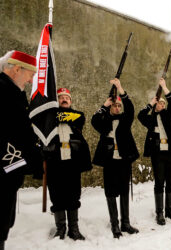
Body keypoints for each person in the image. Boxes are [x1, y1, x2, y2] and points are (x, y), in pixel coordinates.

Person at [0, 50, 43, 250]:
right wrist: (23, 161)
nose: (31, 79)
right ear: (17, 69)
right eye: (30, 74)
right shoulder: (3, 92)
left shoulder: (12, 92)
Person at [91, 79, 139, 238]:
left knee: (124, 190)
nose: (117, 108)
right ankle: (115, 225)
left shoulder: (125, 119)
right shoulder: (103, 120)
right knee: (110, 192)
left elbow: (131, 108)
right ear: (110, 107)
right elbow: (94, 120)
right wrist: (104, 105)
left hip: (124, 160)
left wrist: (120, 89)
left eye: (119, 105)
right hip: (109, 161)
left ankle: (126, 223)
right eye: (115, 105)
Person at [43, 87, 92, 240]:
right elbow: (47, 121)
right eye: (61, 97)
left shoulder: (78, 115)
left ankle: (74, 229)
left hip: (73, 163)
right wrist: (52, 116)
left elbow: (77, 118)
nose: (64, 99)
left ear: (71, 101)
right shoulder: (49, 117)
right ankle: (60, 228)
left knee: (73, 195)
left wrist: (54, 116)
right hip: (54, 162)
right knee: (57, 196)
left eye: (67, 98)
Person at [137, 78, 171, 225]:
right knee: (159, 182)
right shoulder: (150, 119)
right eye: (159, 103)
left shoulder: (168, 116)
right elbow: (140, 116)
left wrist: (164, 87)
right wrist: (150, 103)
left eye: (163, 103)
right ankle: (160, 213)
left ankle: (170, 210)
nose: (162, 105)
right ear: (155, 105)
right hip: (158, 154)